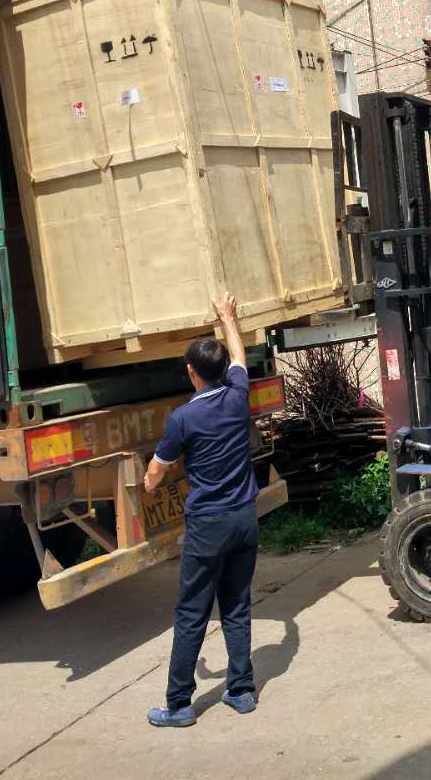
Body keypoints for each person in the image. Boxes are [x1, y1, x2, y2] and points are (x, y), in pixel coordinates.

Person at [145, 294, 260, 729]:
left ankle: (178, 705)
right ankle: (241, 690)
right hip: (244, 519)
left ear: (191, 373)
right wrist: (228, 316)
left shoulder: (182, 419)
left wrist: (149, 480)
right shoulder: (237, 396)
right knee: (236, 605)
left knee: (192, 613)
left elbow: (156, 473)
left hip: (208, 525)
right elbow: (239, 355)